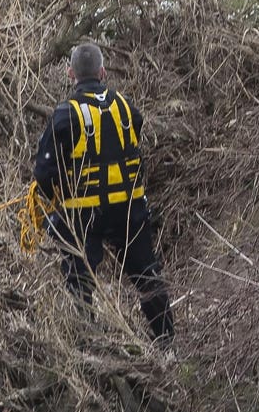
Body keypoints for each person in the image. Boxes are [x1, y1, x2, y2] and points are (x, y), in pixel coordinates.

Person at [24, 42, 173, 344]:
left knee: (79, 280)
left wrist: (55, 203)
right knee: (147, 275)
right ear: (103, 72)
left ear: (70, 74)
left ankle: (89, 346)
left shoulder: (65, 114)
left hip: (84, 214)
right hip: (130, 210)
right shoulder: (126, 107)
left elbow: (43, 174)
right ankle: (167, 345)